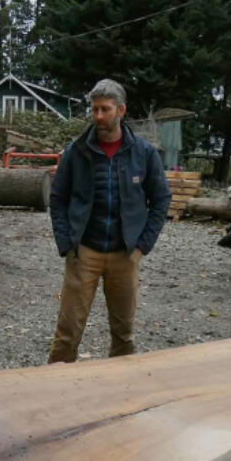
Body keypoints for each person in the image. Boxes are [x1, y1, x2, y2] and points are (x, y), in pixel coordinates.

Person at [46, 79, 171, 363]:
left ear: (121, 110)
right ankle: (54, 392)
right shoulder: (77, 151)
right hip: (84, 253)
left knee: (123, 334)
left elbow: (161, 199)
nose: (98, 116)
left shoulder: (144, 153)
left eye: (105, 109)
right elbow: (58, 198)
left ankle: (121, 394)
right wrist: (66, 243)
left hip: (125, 255)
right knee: (67, 333)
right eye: (94, 109)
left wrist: (143, 245)